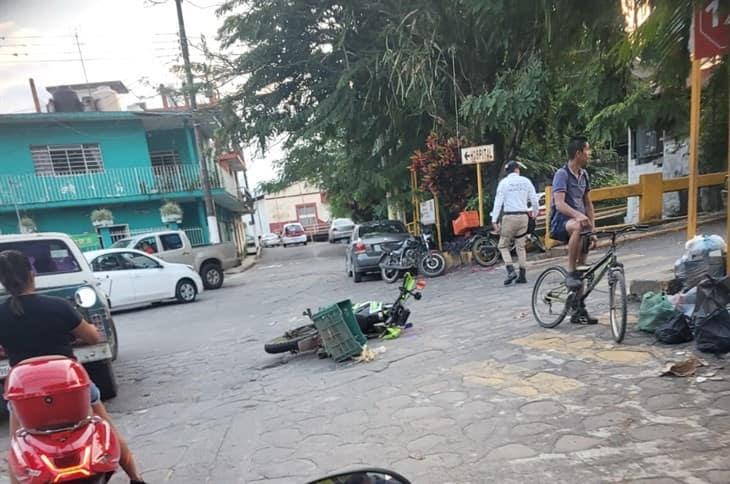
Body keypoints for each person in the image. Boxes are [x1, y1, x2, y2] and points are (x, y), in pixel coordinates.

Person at [0, 250, 146, 484]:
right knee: (107, 428)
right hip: (70, 388)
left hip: (26, 396)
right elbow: (92, 337)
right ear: (32, 274)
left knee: (16, 446)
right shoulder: (58, 306)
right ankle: (136, 478)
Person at [549, 135, 597, 324]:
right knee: (578, 226)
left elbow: (588, 204)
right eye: (587, 150)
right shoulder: (562, 174)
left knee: (582, 269)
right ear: (578, 153)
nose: (589, 153)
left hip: (581, 223)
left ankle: (578, 309)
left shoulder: (584, 175)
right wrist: (578, 216)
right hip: (562, 222)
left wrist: (593, 229)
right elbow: (559, 204)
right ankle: (570, 271)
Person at [490, 160, 539, 285]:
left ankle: (510, 270)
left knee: (502, 245)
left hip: (510, 217)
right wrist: (534, 214)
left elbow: (498, 202)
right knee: (520, 246)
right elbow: (534, 199)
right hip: (523, 216)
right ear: (517, 169)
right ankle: (522, 275)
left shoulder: (504, 183)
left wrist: (494, 219)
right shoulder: (526, 181)